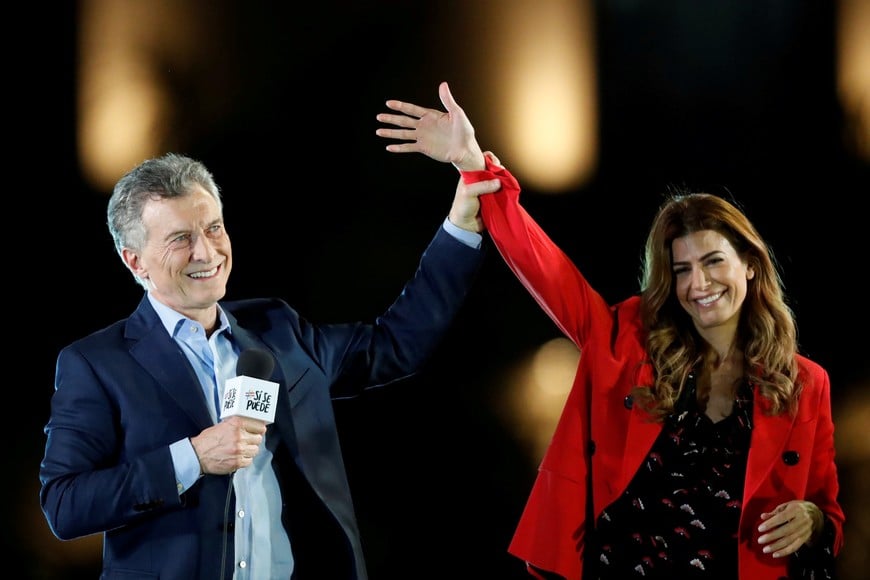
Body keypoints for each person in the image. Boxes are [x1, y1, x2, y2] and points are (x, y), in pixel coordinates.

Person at [375, 81, 845, 579]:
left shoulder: (806, 384)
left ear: (750, 265)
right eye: (681, 269)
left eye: (713, 262)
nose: (698, 283)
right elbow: (548, 272)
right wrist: (475, 166)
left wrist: (814, 520)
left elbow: (827, 515)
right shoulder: (628, 341)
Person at [39, 150, 491, 579]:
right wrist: (193, 457)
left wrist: (462, 222)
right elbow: (65, 505)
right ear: (134, 261)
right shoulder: (97, 363)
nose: (207, 252)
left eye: (213, 228)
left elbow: (395, 344)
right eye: (181, 239)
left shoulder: (277, 329)